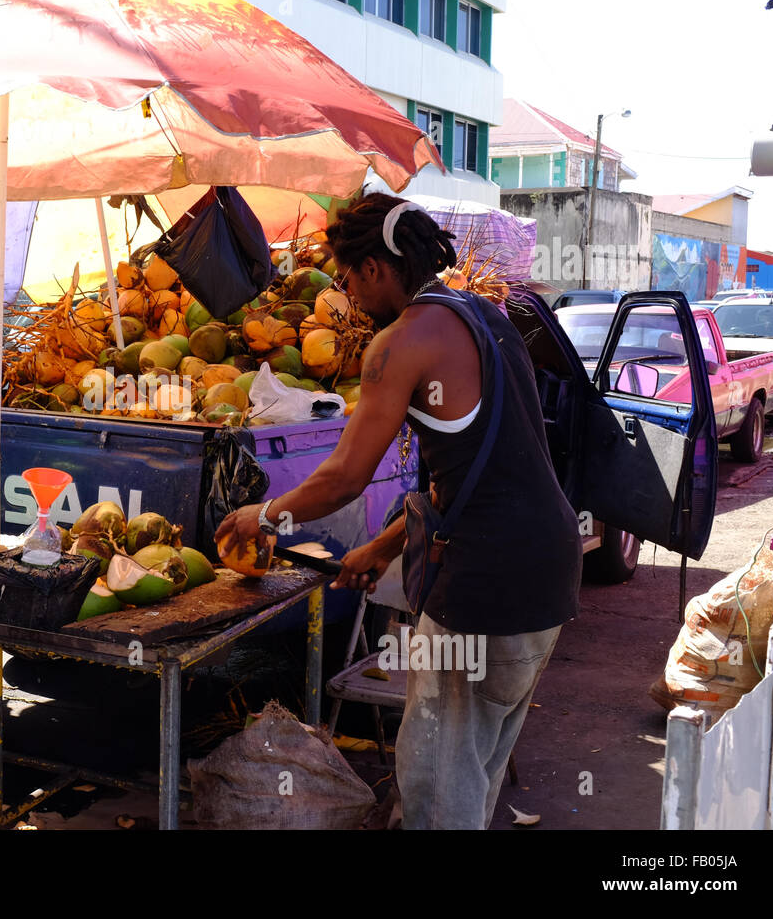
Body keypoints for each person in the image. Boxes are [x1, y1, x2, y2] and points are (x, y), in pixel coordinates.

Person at [215, 193, 581, 830]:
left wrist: (265, 514)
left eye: (350, 278)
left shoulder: (401, 341)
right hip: (547, 574)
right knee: (475, 769)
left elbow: (344, 478)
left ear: (376, 269)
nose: (349, 297)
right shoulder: (487, 316)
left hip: (485, 589)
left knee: (437, 782)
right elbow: (469, 474)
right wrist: (381, 549)